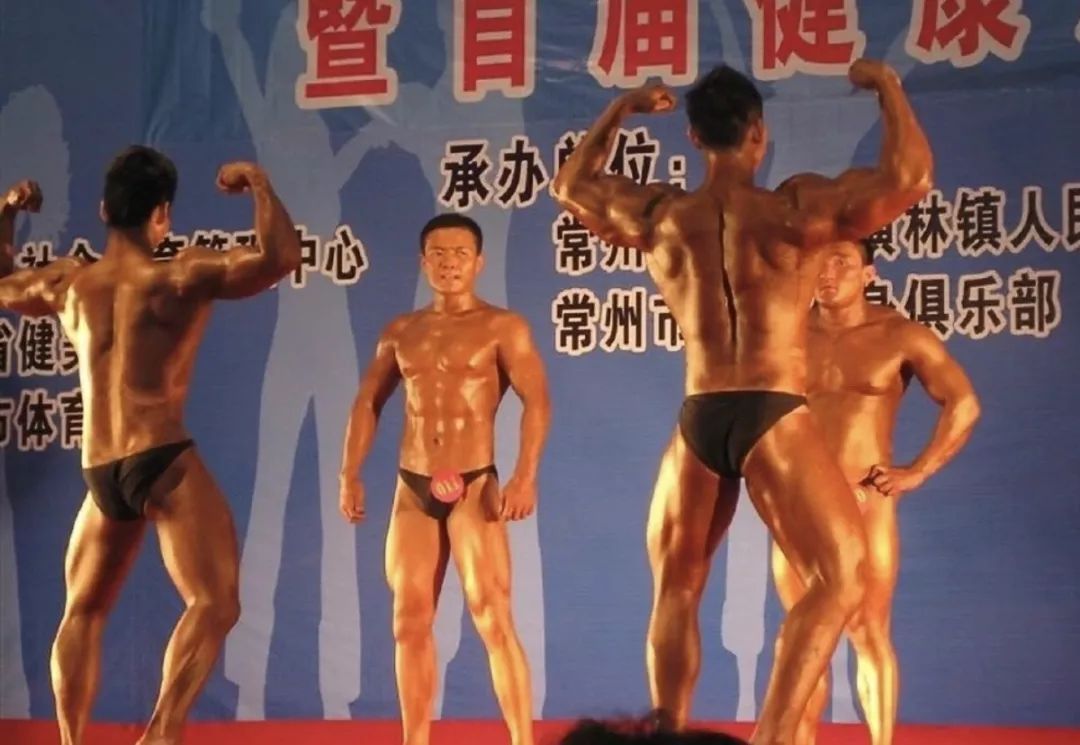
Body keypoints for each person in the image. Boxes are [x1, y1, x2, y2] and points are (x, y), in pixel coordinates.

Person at [551, 58, 933, 744]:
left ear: (695, 137)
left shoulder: (662, 215)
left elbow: (571, 185)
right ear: (758, 133)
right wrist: (886, 86)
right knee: (842, 577)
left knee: (677, 585)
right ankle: (772, 737)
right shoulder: (793, 209)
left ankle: (666, 731)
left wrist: (622, 108)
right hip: (770, 409)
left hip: (701, 413)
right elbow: (910, 178)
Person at [0, 147, 301, 745]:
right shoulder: (179, 275)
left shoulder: (68, 283)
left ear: (104, 209)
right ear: (162, 213)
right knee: (215, 601)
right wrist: (259, 184)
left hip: (101, 469)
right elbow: (279, 257)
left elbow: (4, 284)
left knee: (83, 611)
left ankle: (72, 741)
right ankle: (161, 733)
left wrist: (7, 213)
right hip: (160, 459)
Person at [338, 213, 550, 745]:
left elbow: (538, 400)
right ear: (423, 261)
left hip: (474, 484)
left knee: (491, 615)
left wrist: (525, 475)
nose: (449, 263)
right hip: (413, 485)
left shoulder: (502, 327)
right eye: (438, 253)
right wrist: (349, 473)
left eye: (460, 254)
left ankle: (523, 741)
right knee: (407, 621)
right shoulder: (401, 331)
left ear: (478, 263)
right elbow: (368, 401)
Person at [771, 238, 980, 745]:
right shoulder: (785, 335)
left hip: (865, 501)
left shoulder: (899, 335)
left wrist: (917, 471)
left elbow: (963, 403)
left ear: (869, 274)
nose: (827, 272)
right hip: (800, 504)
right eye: (818, 262)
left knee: (867, 632)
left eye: (841, 262)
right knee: (803, 638)